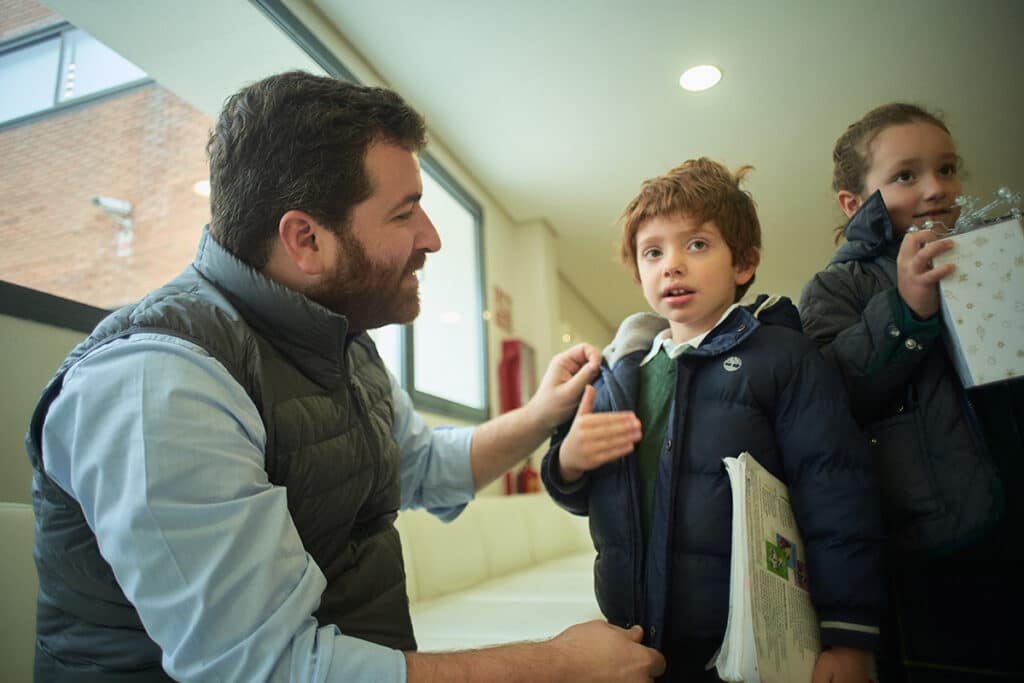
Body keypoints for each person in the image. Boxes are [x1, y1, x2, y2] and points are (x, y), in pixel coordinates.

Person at [25, 71, 665, 683]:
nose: (433, 237)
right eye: (404, 213)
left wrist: (543, 413)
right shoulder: (162, 383)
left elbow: (420, 468)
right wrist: (556, 667)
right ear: (305, 239)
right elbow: (264, 670)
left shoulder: (344, 341)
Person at [540, 158, 885, 682]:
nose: (671, 265)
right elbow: (579, 492)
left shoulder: (782, 357)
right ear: (639, 272)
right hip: (634, 636)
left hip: (748, 640)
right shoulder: (619, 375)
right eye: (652, 252)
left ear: (743, 263)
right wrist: (567, 462)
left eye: (696, 244)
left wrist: (848, 635)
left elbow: (835, 489)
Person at [799, 102, 1024, 682]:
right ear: (855, 205)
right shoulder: (837, 285)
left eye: (947, 169)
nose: (935, 188)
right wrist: (904, 310)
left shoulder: (989, 257)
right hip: (930, 547)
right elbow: (830, 397)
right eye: (905, 175)